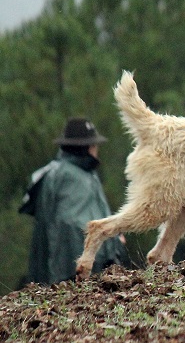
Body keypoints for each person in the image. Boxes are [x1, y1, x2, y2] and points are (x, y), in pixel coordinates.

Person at [19, 117, 128, 284]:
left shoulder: (59, 172)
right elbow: (73, 228)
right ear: (89, 147)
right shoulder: (74, 178)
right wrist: (113, 243)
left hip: (49, 276)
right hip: (70, 276)